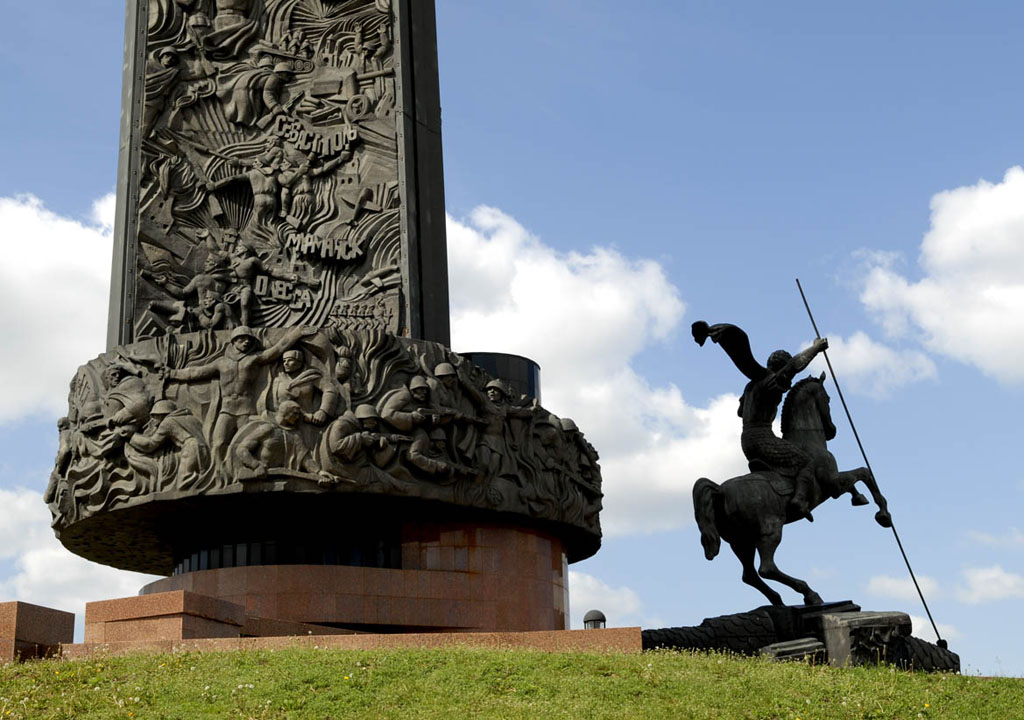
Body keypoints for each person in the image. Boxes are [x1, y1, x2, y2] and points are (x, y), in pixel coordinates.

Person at [693, 321, 828, 521]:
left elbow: (740, 412)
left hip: (746, 440)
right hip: (762, 437)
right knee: (806, 462)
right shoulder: (770, 381)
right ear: (780, 368)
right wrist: (816, 348)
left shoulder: (750, 385)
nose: (787, 382)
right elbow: (794, 366)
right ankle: (799, 500)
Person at [167, 325, 314, 466]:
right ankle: (220, 476)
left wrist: (296, 333)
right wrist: (172, 373)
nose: (246, 342)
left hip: (246, 411)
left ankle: (244, 470)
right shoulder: (221, 362)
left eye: (249, 339)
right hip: (227, 410)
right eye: (242, 339)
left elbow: (278, 349)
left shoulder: (254, 359)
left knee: (246, 445)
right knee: (218, 444)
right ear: (233, 341)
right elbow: (196, 372)